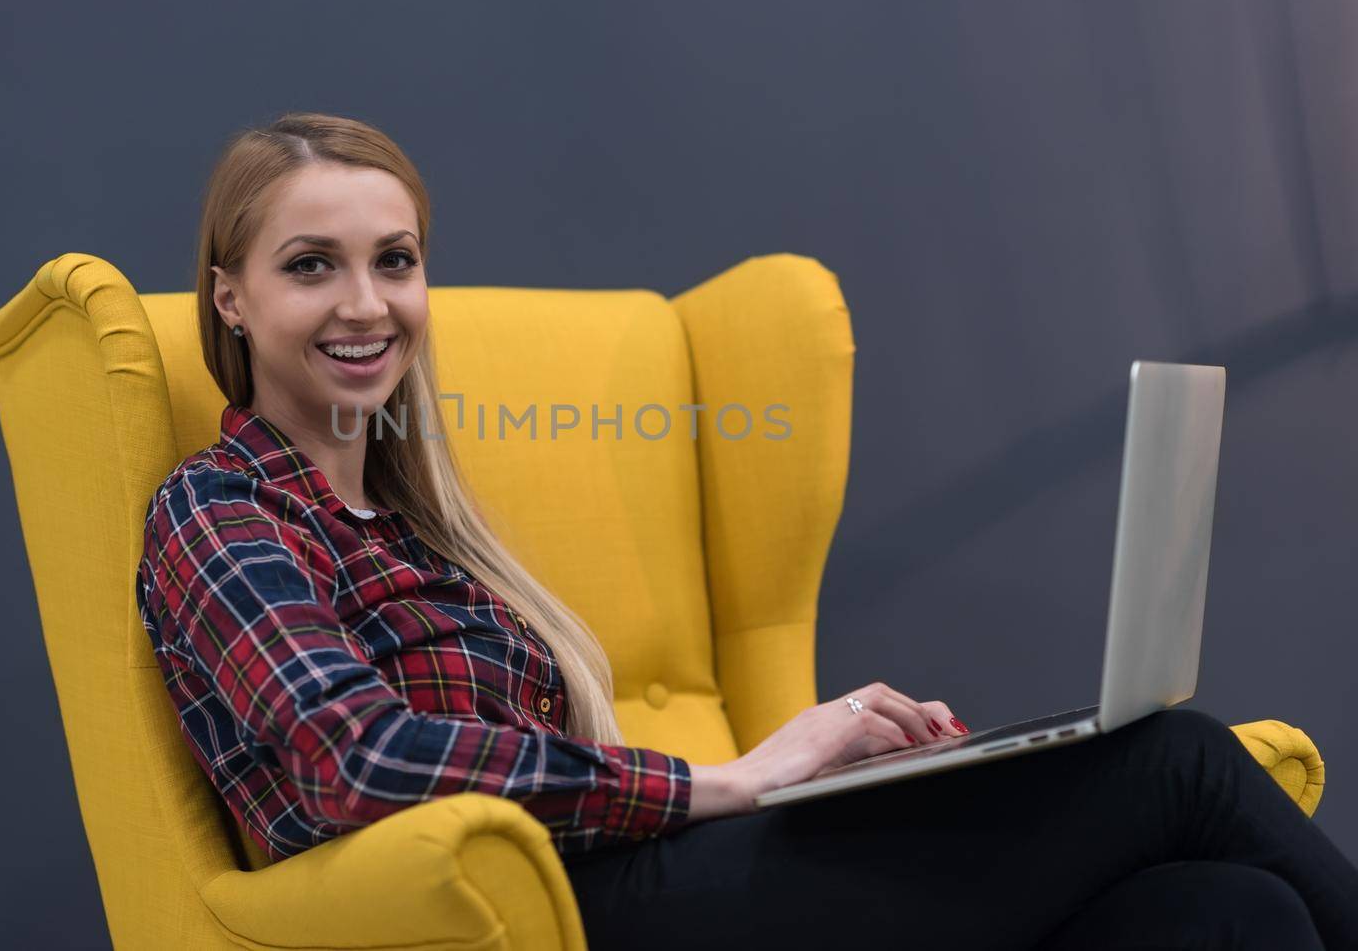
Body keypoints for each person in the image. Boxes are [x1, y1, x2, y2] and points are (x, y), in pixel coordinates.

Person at [137, 110, 1358, 950]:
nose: (366, 303)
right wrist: (724, 782)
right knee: (1175, 762)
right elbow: (348, 760)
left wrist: (809, 778)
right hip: (566, 917)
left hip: (659, 884)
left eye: (393, 260)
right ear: (230, 297)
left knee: (1230, 911)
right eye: (311, 266)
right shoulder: (221, 507)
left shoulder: (420, 532)